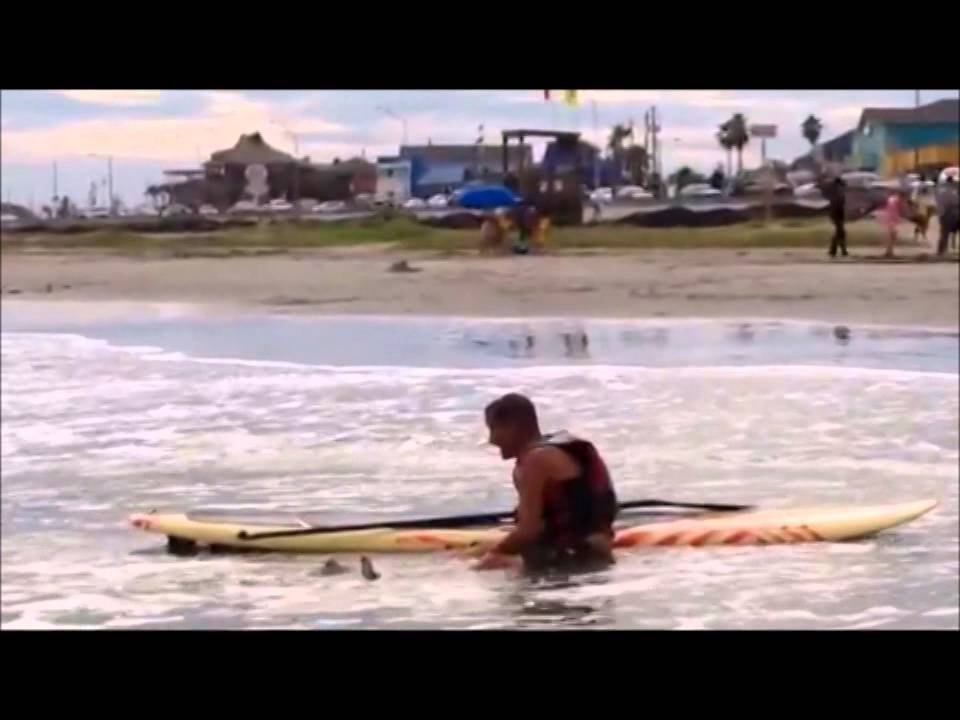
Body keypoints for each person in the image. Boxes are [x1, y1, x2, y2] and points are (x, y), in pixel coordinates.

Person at [474, 393, 618, 571]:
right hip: (592, 557)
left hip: (571, 563)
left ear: (513, 427)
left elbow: (528, 531)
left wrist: (488, 558)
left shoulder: (536, 460)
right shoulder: (546, 453)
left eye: (494, 429)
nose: (492, 440)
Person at [936, 175, 959, 256]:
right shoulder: (951, 191)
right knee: (945, 233)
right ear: (951, 182)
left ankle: (940, 251)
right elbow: (955, 202)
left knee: (944, 233)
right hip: (950, 214)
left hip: (942, 214)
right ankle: (942, 251)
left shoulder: (940, 190)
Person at [827, 177, 848, 258]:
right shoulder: (836, 194)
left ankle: (834, 250)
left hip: (838, 215)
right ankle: (841, 251)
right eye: (841, 186)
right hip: (836, 215)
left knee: (840, 232)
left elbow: (841, 205)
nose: (842, 187)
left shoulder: (837, 193)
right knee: (841, 232)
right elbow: (836, 206)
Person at [881, 191, 902, 258]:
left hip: (890, 219)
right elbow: (898, 210)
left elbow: (892, 210)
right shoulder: (895, 199)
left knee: (892, 235)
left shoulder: (890, 199)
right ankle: (889, 251)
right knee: (892, 235)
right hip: (892, 219)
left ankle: (889, 251)